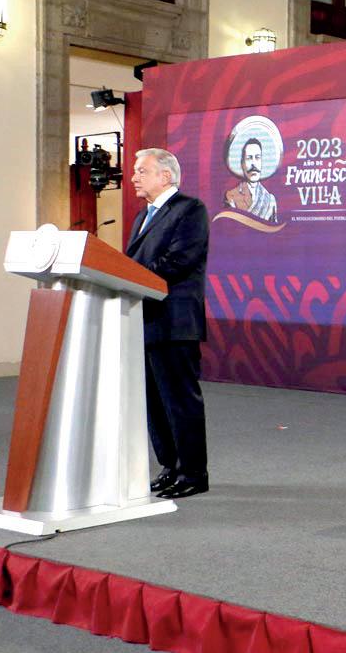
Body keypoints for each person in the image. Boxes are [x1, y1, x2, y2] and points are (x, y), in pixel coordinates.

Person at [128, 148, 212, 500]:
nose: (133, 177)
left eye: (141, 170)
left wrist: (129, 276)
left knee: (179, 401)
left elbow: (179, 261)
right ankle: (170, 466)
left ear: (165, 176)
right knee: (155, 403)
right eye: (135, 170)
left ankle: (193, 473)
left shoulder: (190, 210)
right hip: (144, 320)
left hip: (174, 321)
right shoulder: (142, 216)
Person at [224, 137, 278, 222]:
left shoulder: (270, 200)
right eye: (249, 158)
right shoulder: (232, 196)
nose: (254, 164)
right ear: (242, 163)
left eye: (257, 158)